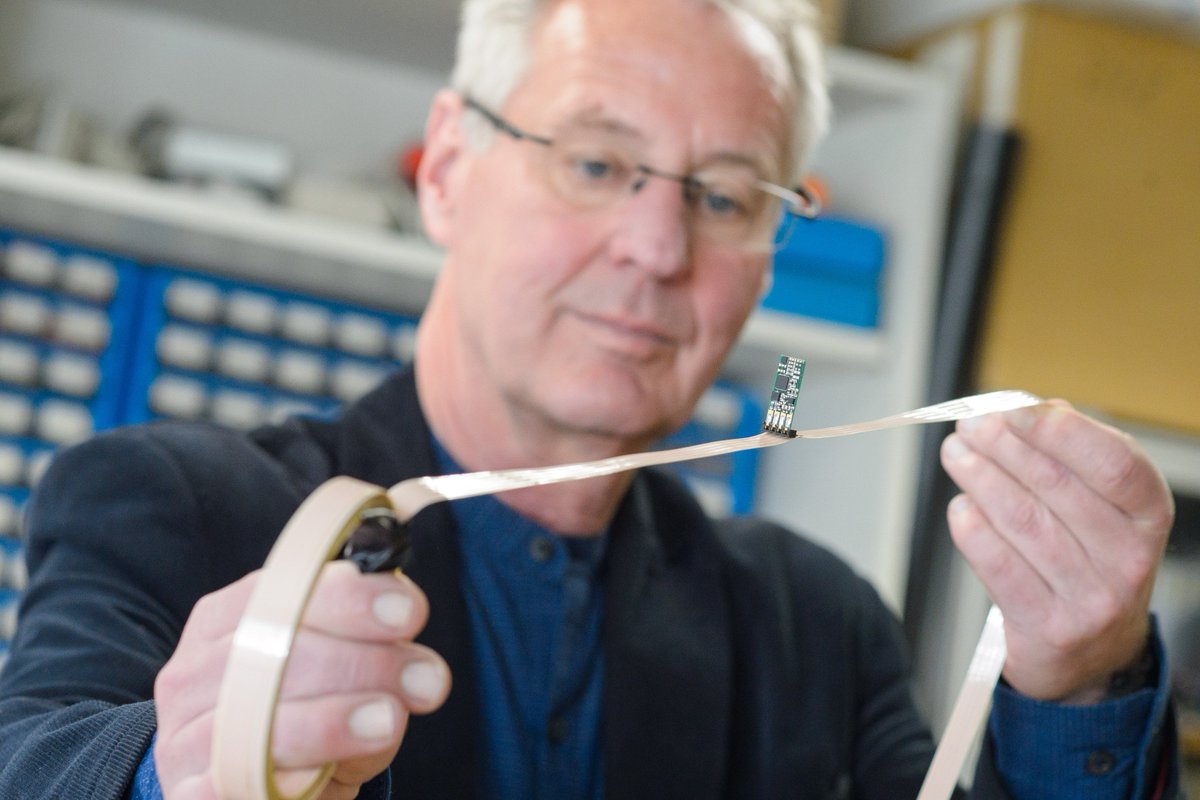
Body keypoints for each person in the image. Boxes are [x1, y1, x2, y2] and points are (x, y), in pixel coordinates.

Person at [0, 0, 1182, 797]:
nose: (658, 248)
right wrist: (172, 770)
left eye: (726, 197)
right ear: (448, 169)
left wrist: (1081, 680)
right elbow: (33, 754)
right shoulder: (166, 499)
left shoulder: (817, 624)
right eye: (599, 163)